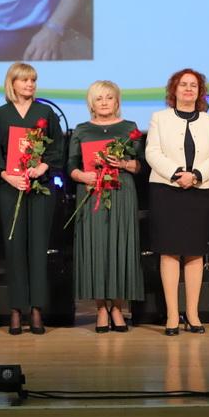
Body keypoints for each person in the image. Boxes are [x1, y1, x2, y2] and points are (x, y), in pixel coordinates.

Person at [0, 62, 64, 334]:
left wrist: (43, 167)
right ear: (12, 83)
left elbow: (57, 147)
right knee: (14, 248)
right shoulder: (1, 114)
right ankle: (16, 309)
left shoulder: (45, 113)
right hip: (10, 189)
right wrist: (7, 176)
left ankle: (37, 309)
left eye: (32, 80)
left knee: (38, 248)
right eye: (24, 80)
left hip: (40, 188)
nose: (29, 84)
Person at [145, 68, 209, 336]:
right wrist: (177, 174)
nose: (188, 89)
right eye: (183, 84)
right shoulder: (159, 118)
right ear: (174, 90)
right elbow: (152, 152)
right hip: (166, 190)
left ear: (200, 92)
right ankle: (171, 315)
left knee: (194, 252)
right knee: (169, 252)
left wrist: (197, 175)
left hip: (199, 191)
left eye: (193, 85)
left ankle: (192, 313)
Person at [67, 81, 144, 333]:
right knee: (96, 248)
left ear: (117, 101)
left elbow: (140, 165)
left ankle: (118, 308)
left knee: (121, 247)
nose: (104, 102)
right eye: (98, 98)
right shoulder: (82, 129)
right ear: (91, 103)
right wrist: (82, 176)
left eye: (109, 97)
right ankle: (101, 308)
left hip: (122, 193)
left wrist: (123, 164)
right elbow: (70, 166)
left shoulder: (129, 128)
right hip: (91, 194)